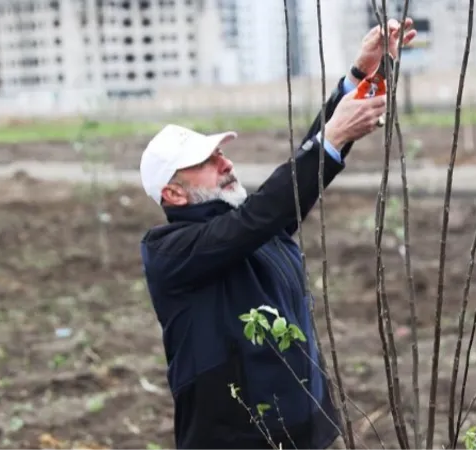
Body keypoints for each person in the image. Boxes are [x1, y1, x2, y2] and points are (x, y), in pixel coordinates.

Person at [138, 18, 417, 450]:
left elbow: (285, 192)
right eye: (207, 162)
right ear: (172, 192)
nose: (226, 163)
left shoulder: (255, 227)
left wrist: (357, 79)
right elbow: (262, 214)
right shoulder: (170, 253)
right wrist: (333, 133)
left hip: (315, 434)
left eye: (221, 153)